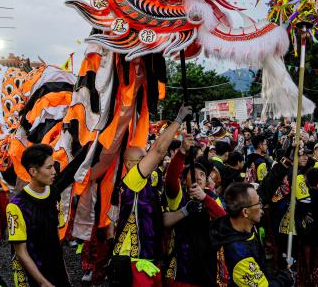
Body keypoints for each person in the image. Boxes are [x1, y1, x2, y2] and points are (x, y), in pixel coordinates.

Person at [109, 105, 191, 286]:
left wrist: (185, 211)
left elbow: (161, 219)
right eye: (143, 159)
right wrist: (178, 119)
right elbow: (159, 151)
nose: (149, 161)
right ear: (130, 165)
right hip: (132, 262)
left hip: (152, 259)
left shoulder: (151, 185)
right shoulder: (132, 180)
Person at [6, 144, 79, 287]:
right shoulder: (16, 206)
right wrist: (43, 283)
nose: (54, 172)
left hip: (56, 270)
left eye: (53, 166)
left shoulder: (53, 193)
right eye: (49, 167)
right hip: (33, 275)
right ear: (33, 171)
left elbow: (55, 237)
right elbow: (21, 253)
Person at [163, 134, 225, 287]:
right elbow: (170, 179)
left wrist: (205, 198)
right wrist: (182, 153)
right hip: (182, 266)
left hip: (207, 266)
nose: (198, 178)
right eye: (193, 174)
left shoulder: (212, 197)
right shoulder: (179, 196)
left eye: (202, 175)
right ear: (184, 180)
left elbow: (223, 219)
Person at [210, 182, 291, 286]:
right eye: (258, 203)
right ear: (245, 212)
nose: (261, 209)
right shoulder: (239, 255)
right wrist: (286, 277)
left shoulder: (239, 224)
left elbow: (267, 187)